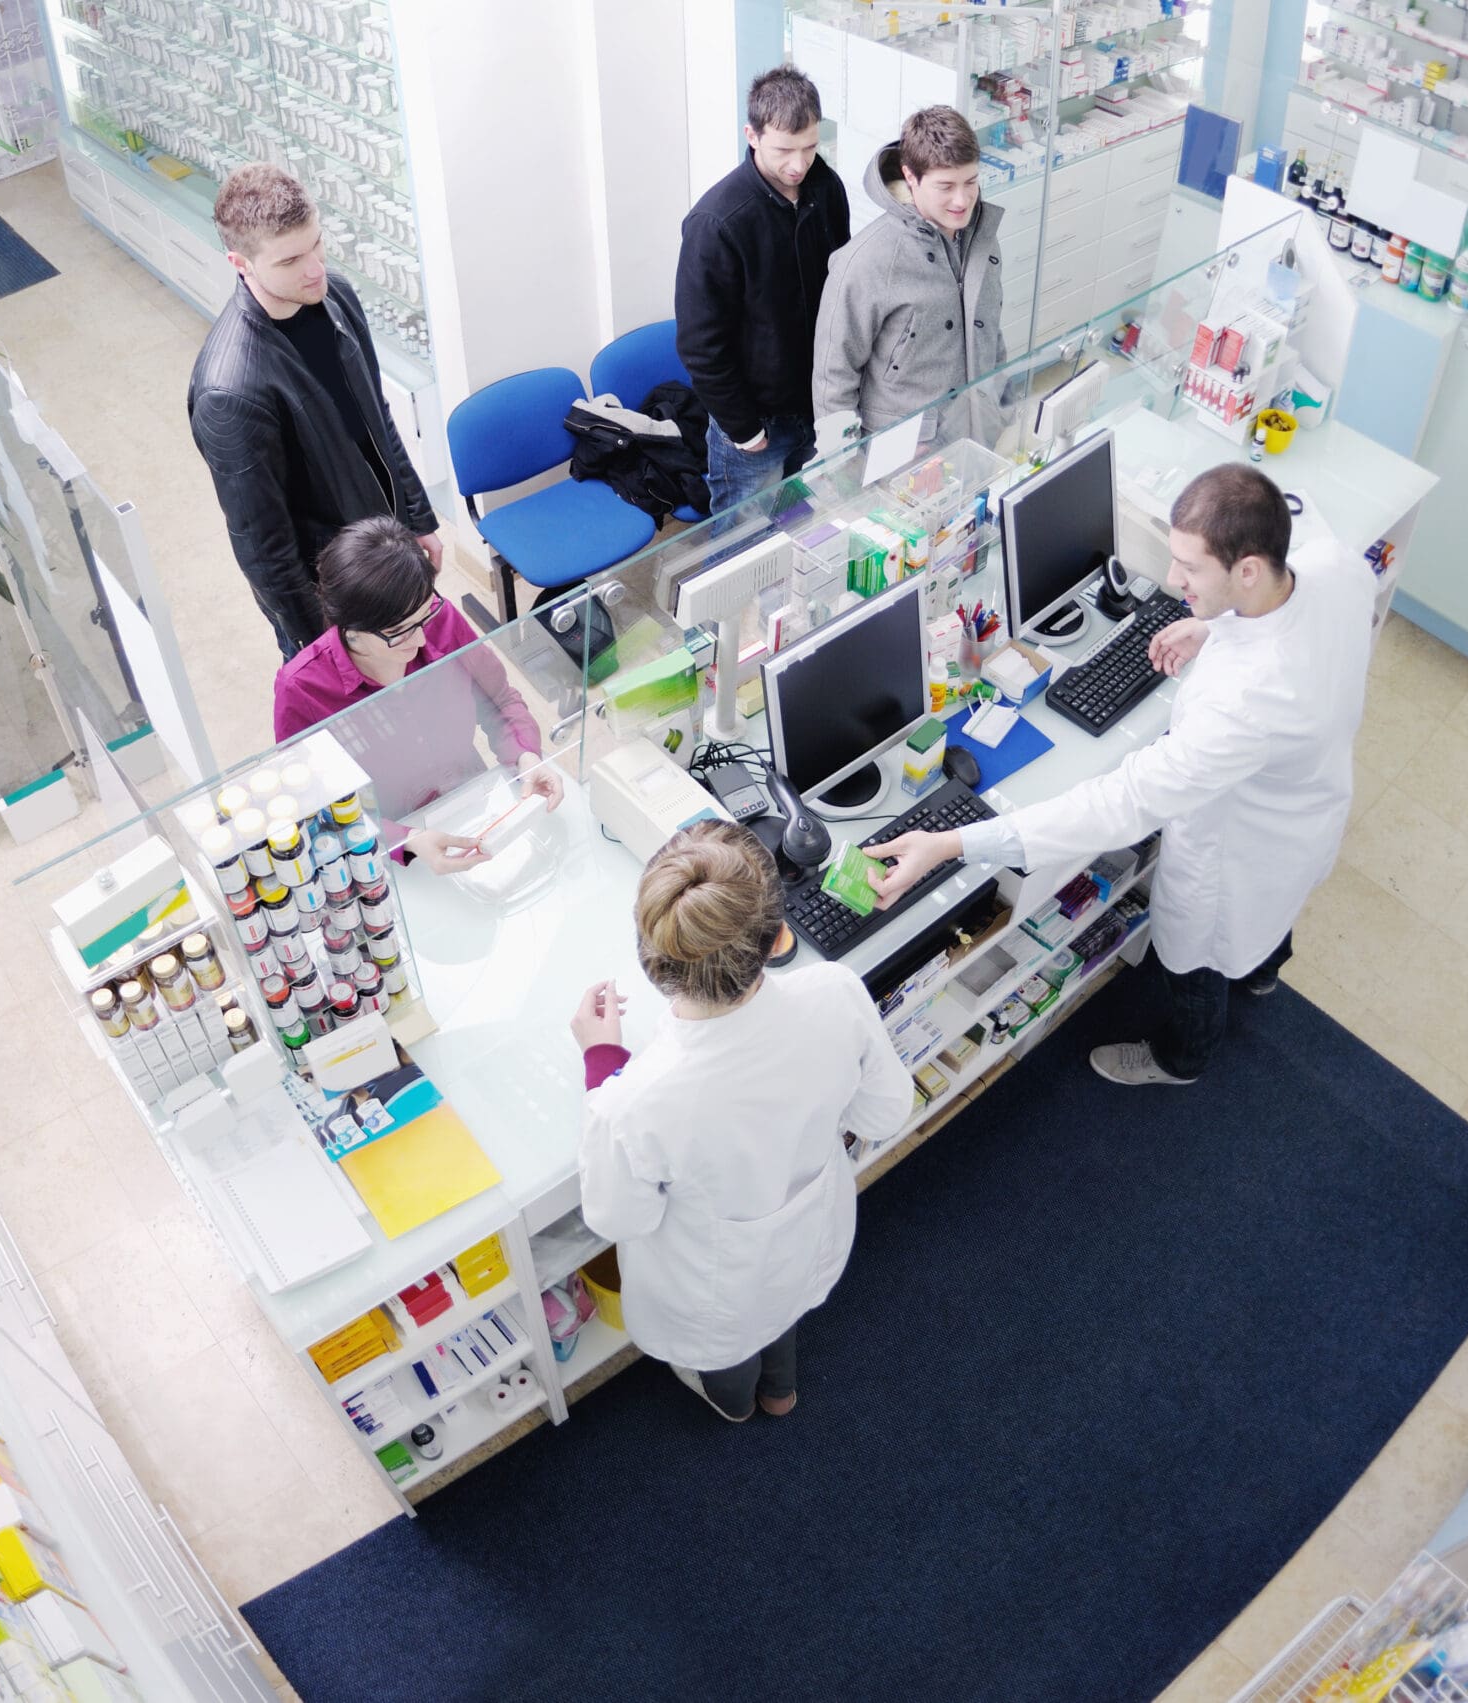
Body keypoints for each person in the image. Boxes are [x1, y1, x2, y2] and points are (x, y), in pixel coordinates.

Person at [868, 466, 1374, 1087]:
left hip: (1239, 852)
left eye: (1190, 569)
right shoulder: (1336, 567)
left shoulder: (1249, 706)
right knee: (1273, 924)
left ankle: (1179, 1059)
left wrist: (952, 843)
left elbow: (1120, 803)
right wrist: (1214, 624)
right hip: (1306, 810)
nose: (1170, 579)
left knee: (1198, 965)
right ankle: (1264, 974)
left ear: (1246, 570)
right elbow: (1283, 621)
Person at [572, 822, 915, 1423]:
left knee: (729, 1350)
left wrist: (602, 1059)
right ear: (779, 937)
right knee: (783, 1309)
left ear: (653, 959)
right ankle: (781, 1395)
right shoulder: (834, 990)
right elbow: (885, 1111)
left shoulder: (634, 1101)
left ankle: (734, 1408)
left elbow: (619, 1216)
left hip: (713, 1287)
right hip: (806, 1232)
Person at [190, 163, 442, 659]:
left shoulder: (337, 297)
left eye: (317, 245)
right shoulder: (230, 391)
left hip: (385, 554)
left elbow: (377, 421)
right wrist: (324, 644)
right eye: (289, 261)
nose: (315, 269)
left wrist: (418, 519)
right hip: (334, 601)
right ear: (240, 263)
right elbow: (265, 551)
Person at [273, 517, 560, 873]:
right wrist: (403, 841)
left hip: (473, 799)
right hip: (385, 844)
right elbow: (313, 805)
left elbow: (499, 699)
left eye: (424, 616)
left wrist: (526, 757)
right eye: (397, 632)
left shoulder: (441, 621)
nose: (422, 640)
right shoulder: (302, 688)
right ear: (348, 627)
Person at [674, 66, 850, 517]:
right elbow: (700, 346)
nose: (798, 164)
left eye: (810, 147)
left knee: (806, 532)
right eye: (784, 150)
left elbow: (843, 290)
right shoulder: (717, 223)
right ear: (751, 135)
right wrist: (745, 431)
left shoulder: (826, 188)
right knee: (741, 556)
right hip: (757, 427)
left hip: (818, 405)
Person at [811, 105, 1009, 452]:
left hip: (977, 431)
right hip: (903, 448)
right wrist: (843, 464)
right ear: (911, 177)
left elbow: (990, 329)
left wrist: (1003, 405)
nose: (962, 200)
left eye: (971, 182)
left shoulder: (980, 237)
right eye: (945, 186)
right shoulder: (866, 261)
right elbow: (833, 375)